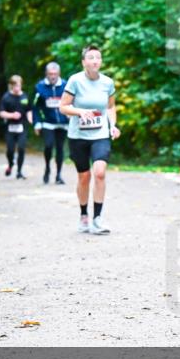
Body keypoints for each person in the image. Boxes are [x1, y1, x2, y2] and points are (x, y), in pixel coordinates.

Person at [60, 45, 120, 235]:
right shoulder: (75, 81)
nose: (95, 60)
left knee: (100, 172)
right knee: (84, 177)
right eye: (91, 57)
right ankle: (84, 215)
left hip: (100, 134)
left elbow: (110, 107)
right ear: (84, 62)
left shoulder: (107, 83)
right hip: (78, 135)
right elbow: (63, 106)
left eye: (98, 57)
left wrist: (113, 125)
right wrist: (80, 112)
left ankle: (98, 219)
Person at [32, 61, 70, 184]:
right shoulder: (40, 86)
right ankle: (47, 167)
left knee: (60, 148)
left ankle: (58, 175)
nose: (52, 76)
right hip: (47, 122)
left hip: (63, 123)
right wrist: (37, 123)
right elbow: (35, 106)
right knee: (48, 145)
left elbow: (73, 101)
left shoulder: (66, 85)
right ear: (46, 74)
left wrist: (72, 115)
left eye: (55, 74)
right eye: (50, 74)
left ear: (59, 73)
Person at [0, 75, 32, 179]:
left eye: (19, 85)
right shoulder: (6, 97)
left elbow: (29, 110)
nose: (17, 88)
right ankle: (10, 164)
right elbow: (1, 113)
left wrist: (30, 119)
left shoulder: (25, 97)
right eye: (15, 86)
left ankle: (19, 171)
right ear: (11, 86)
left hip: (22, 127)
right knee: (10, 150)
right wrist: (12, 115)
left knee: (21, 148)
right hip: (10, 128)